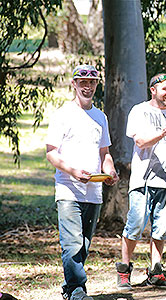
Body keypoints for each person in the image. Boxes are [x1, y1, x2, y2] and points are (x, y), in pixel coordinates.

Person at [46, 64, 119, 300]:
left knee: (84, 244)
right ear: (74, 84)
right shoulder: (62, 114)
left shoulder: (100, 117)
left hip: (93, 192)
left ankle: (70, 289)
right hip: (68, 190)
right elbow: (51, 153)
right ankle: (77, 288)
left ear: (97, 85)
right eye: (83, 82)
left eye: (92, 83)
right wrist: (73, 171)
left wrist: (110, 171)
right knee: (72, 242)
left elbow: (104, 153)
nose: (87, 87)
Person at [115, 73, 166, 290]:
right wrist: (161, 134)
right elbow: (140, 141)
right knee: (136, 224)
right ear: (153, 90)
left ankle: (155, 271)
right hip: (142, 180)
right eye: (165, 89)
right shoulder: (139, 110)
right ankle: (124, 270)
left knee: (160, 229)